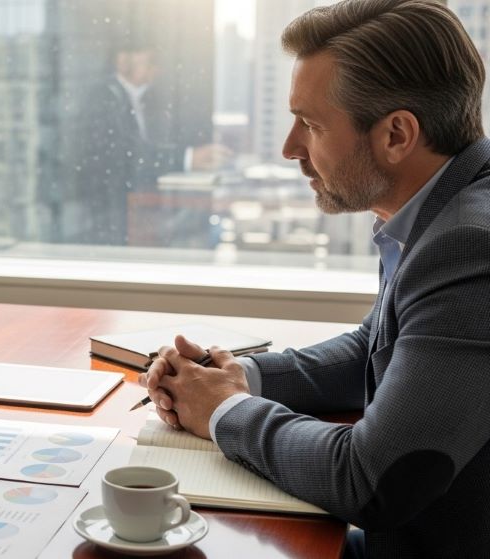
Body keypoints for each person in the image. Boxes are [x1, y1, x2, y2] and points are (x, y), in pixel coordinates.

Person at [141, 1, 490, 557]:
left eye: (311, 124)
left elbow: (371, 478)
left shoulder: (469, 245)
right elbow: (375, 348)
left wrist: (223, 410)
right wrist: (238, 377)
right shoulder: (439, 211)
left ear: (397, 134)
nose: (290, 148)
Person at [74, 42, 229, 246]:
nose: (155, 70)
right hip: (109, 211)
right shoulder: (105, 98)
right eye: (148, 63)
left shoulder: (135, 98)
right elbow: (128, 155)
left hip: (128, 207)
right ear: (122, 61)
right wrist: (188, 158)